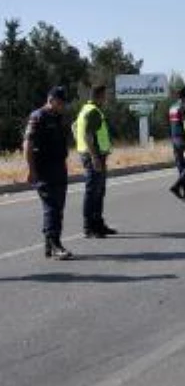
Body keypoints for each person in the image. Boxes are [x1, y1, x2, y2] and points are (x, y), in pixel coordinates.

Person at [24, 86, 73, 259]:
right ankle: (55, 244)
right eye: (59, 102)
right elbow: (28, 145)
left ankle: (49, 243)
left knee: (58, 207)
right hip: (44, 169)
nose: (62, 105)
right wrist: (31, 170)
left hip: (59, 167)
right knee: (51, 206)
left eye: (63, 103)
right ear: (50, 100)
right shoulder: (38, 117)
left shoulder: (59, 117)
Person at [74, 84, 117, 238]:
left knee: (99, 191)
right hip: (94, 156)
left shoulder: (86, 109)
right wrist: (94, 157)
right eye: (105, 95)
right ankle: (89, 227)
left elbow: (75, 128)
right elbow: (87, 135)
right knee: (93, 191)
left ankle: (98, 224)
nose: (106, 98)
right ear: (99, 96)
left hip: (93, 154)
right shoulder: (93, 112)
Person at [168, 85, 185, 200]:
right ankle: (176, 186)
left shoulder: (172, 107)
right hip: (182, 139)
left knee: (181, 167)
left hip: (174, 139)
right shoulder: (184, 107)